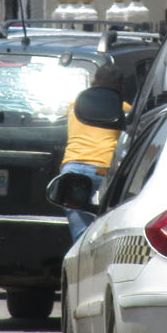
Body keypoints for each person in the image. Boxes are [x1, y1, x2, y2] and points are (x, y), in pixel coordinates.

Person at [59, 64, 129, 241]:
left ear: (92, 83)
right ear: (119, 88)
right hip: (104, 171)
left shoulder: (74, 106)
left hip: (71, 171)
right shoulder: (125, 109)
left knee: (81, 234)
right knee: (106, 232)